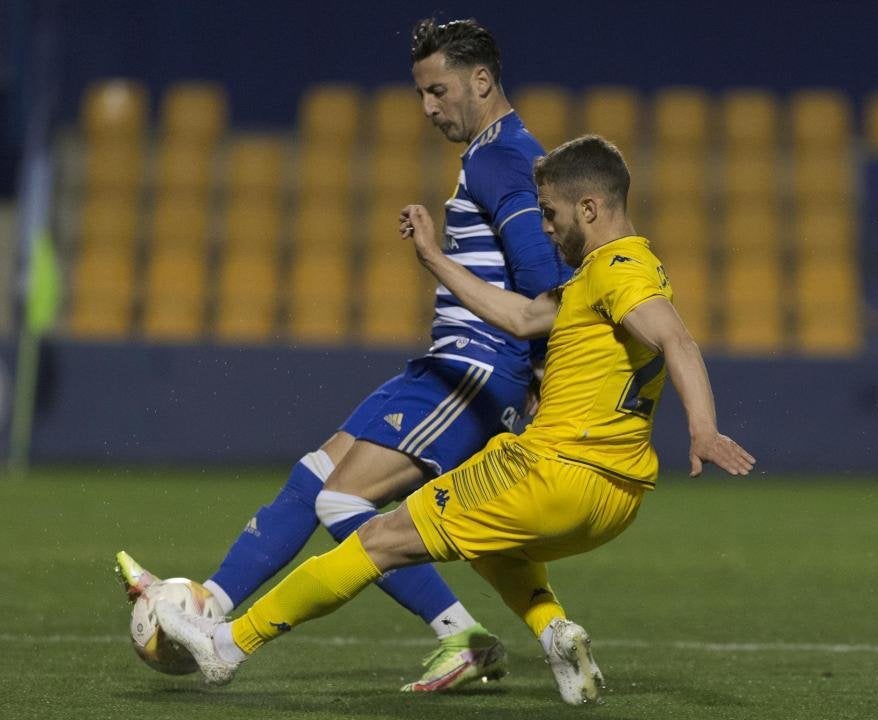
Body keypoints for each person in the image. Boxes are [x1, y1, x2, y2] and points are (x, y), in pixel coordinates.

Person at [156, 135, 756, 705]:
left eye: (551, 214)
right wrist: (434, 259)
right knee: (492, 546)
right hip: (613, 500)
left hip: (550, 473)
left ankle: (226, 645)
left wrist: (703, 428)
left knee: (375, 537)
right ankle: (556, 636)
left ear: (591, 207)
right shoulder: (614, 274)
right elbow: (523, 317)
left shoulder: (617, 269)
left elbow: (674, 337)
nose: (545, 229)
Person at [117, 17, 571, 692]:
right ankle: (211, 599)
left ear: (481, 80)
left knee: (341, 501)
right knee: (314, 476)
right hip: (446, 365)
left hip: (474, 370)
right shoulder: (494, 151)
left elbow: (546, 287)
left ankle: (462, 637)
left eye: (438, 90)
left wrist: (535, 373)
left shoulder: (500, 157)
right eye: (421, 93)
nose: (427, 107)